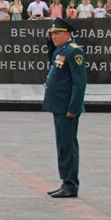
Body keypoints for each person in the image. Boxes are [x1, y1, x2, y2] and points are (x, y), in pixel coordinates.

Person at [42, 18, 87, 199]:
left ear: (67, 34)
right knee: (62, 145)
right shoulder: (61, 50)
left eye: (56, 34)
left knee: (67, 146)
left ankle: (70, 185)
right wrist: (48, 42)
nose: (53, 37)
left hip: (67, 108)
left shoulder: (74, 52)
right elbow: (52, 58)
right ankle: (65, 181)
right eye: (52, 34)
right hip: (58, 106)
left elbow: (80, 83)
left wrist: (74, 107)